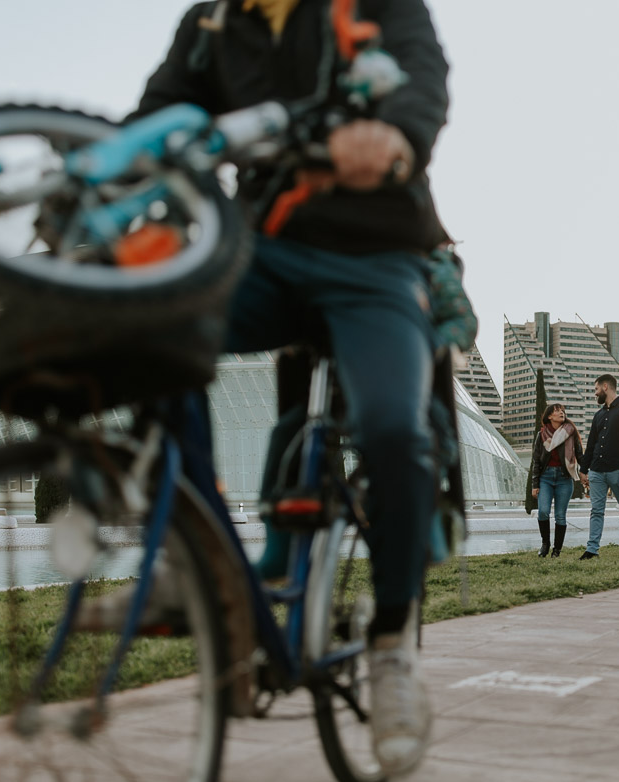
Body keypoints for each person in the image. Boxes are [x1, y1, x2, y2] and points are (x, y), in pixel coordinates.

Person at [105, 1, 452, 773]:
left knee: (395, 432)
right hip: (260, 250)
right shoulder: (212, 25)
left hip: (374, 258)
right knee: (149, 321)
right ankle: (192, 563)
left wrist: (394, 134)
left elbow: (420, 77)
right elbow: (158, 113)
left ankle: (392, 641)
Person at [578, 375, 619, 559]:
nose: (595, 393)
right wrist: (583, 470)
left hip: (618, 471)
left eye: (596, 389)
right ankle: (592, 550)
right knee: (596, 511)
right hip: (597, 471)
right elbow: (591, 445)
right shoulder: (598, 415)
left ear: (605, 387)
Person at [530, 403, 582, 558]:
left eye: (562, 411)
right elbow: (536, 461)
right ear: (549, 416)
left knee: (560, 515)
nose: (561, 412)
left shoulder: (570, 432)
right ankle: (545, 545)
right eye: (557, 411)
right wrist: (535, 484)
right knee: (543, 512)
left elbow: (579, 454)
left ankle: (557, 550)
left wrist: (584, 472)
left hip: (564, 478)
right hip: (545, 478)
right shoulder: (542, 435)